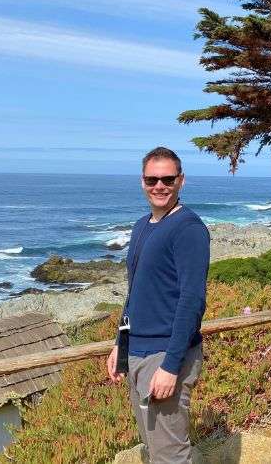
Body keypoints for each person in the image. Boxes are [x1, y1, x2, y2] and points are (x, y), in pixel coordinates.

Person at [106, 146, 209, 464]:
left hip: (164, 356)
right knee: (154, 448)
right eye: (152, 179)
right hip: (137, 352)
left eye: (167, 178)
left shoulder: (188, 229)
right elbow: (136, 291)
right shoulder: (142, 226)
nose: (159, 186)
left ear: (181, 181)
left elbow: (192, 302)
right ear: (142, 181)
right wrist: (119, 344)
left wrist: (170, 366)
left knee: (170, 455)